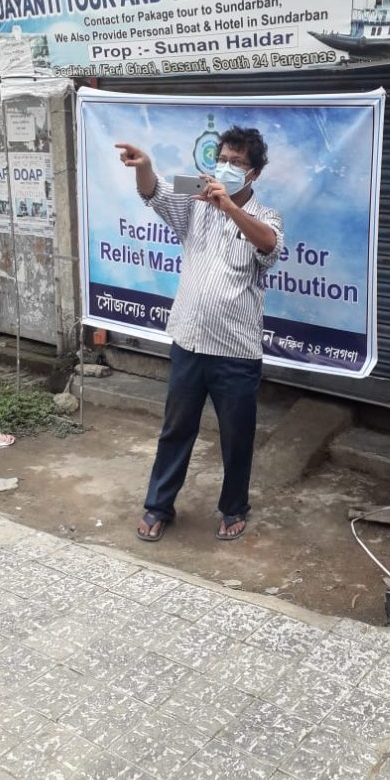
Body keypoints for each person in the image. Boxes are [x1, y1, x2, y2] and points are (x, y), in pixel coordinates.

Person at [116, 127, 283, 542]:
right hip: (188, 341)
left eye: (237, 163)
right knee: (176, 430)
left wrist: (229, 206)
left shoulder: (266, 216)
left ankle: (234, 509)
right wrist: (144, 167)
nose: (225, 168)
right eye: (222, 159)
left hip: (237, 351)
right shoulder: (195, 199)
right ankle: (159, 506)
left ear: (254, 174)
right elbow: (153, 192)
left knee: (237, 438)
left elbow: (269, 245)